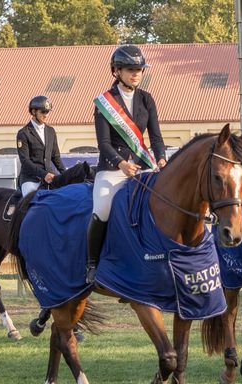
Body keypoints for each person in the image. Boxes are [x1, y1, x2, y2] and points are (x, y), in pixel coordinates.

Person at [87, 44, 167, 283]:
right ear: (116, 71)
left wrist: (161, 157)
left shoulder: (147, 99)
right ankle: (91, 263)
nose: (136, 74)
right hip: (113, 169)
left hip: (143, 165)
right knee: (101, 209)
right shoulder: (104, 102)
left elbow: (155, 136)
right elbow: (103, 143)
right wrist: (121, 163)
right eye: (131, 69)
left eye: (139, 69)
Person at [17, 95, 66, 197]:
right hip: (31, 179)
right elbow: (25, 161)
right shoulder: (23, 133)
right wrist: (44, 174)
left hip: (50, 177)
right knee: (30, 201)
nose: (46, 115)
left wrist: (66, 175)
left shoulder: (51, 131)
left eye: (47, 112)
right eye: (43, 112)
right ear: (34, 111)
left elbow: (55, 157)